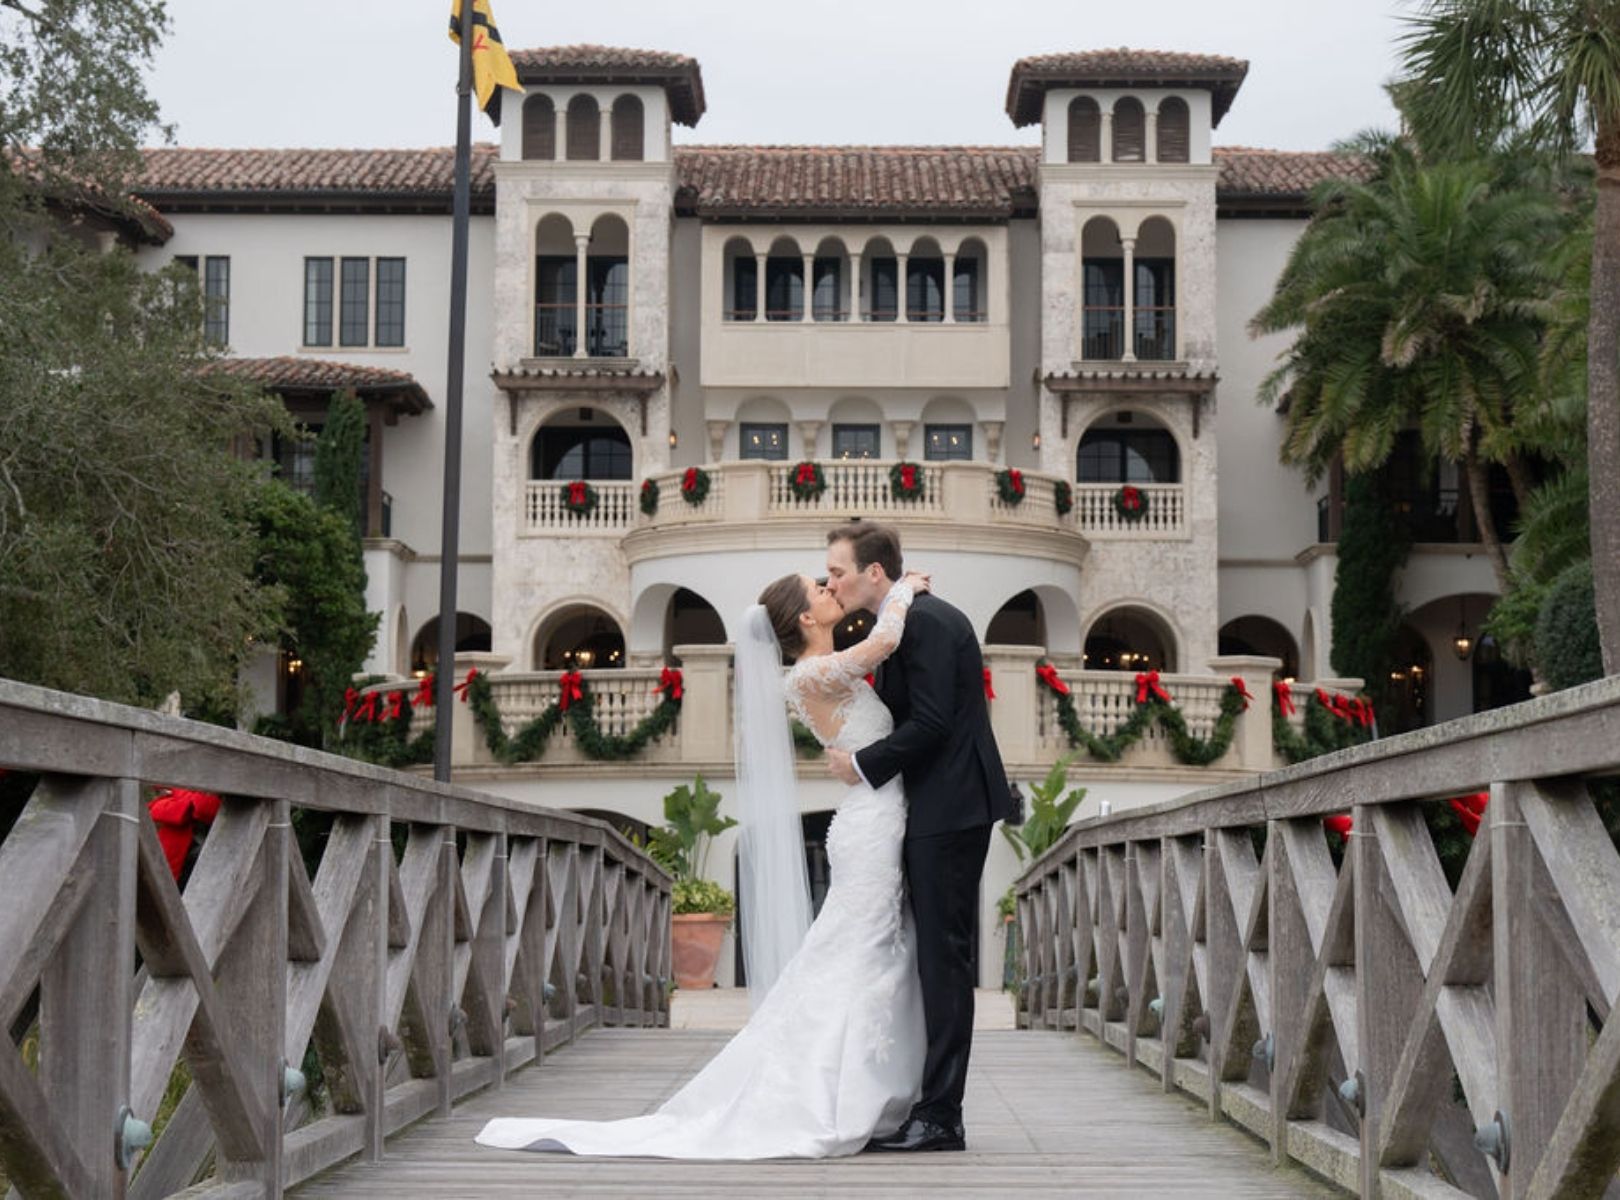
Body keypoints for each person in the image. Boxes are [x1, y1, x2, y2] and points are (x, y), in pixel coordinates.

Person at [476, 566, 933, 1159]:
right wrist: (902, 589)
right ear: (803, 617)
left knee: (866, 951)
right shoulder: (812, 672)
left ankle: (870, 1086)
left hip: (875, 814)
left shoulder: (824, 667)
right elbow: (886, 641)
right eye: (819, 589)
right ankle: (842, 1092)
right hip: (870, 824)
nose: (829, 589)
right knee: (862, 950)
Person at [823, 522, 1017, 1153]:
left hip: (952, 806)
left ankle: (941, 1117)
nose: (831, 582)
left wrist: (862, 764)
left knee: (944, 958)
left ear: (874, 572)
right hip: (936, 805)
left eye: (838, 571)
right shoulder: (906, 616)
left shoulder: (928, 623)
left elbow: (932, 721)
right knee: (933, 956)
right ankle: (927, 1104)